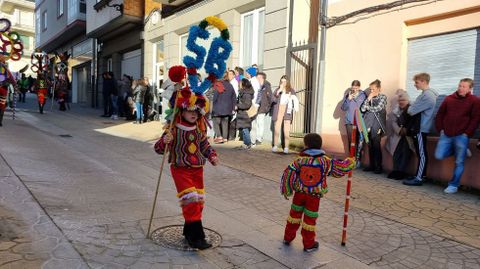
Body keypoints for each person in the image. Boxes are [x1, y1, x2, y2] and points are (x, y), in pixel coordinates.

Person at [154, 66, 218, 249]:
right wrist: (164, 141)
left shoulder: (198, 129)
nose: (193, 113)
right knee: (190, 200)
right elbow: (159, 149)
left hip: (198, 169)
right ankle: (197, 238)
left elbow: (204, 145)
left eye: (196, 111)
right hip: (180, 169)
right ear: (181, 111)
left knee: (198, 201)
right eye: (189, 110)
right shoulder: (173, 129)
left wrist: (212, 156)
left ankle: (188, 231)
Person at [280, 133, 355, 252]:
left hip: (299, 195)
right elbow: (339, 168)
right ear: (320, 146)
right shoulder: (325, 162)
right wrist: (350, 162)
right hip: (314, 197)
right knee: (310, 220)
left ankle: (287, 238)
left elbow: (288, 173)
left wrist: (287, 189)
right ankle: (309, 244)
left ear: (306, 145)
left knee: (294, 216)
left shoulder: (300, 160)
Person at [434, 78, 480, 194]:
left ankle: (453, 185)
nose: (460, 88)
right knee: (439, 155)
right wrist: (441, 130)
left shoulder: (475, 100)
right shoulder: (449, 99)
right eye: (460, 85)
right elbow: (440, 115)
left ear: (470, 88)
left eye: (464, 86)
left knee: (459, 162)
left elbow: (475, 119)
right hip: (446, 135)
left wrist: (467, 133)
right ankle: (463, 150)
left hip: (462, 136)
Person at [403, 73, 439, 186]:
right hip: (420, 127)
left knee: (422, 153)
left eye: (417, 82)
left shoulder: (428, 96)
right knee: (420, 152)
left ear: (423, 81)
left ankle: (419, 178)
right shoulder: (425, 94)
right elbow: (413, 106)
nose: (415, 85)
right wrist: (412, 105)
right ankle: (421, 175)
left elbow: (411, 110)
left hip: (421, 128)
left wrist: (411, 105)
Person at [385, 91, 415, 180]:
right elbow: (393, 122)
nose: (401, 102)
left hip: (408, 136)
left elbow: (413, 121)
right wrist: (399, 130)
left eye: (404, 100)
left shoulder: (412, 109)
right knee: (396, 153)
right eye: (400, 100)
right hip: (398, 135)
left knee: (406, 153)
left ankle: (401, 171)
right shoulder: (396, 110)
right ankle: (395, 170)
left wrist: (406, 129)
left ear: (408, 100)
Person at [361, 79, 387, 174]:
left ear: (378, 89)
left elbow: (378, 108)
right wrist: (368, 99)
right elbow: (363, 109)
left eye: (373, 89)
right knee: (370, 145)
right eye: (370, 89)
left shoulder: (383, 97)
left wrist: (368, 107)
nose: (371, 91)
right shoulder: (369, 98)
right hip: (369, 124)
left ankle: (378, 166)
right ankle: (372, 165)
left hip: (378, 124)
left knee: (376, 145)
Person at [272, 75, 299, 154]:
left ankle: (286, 147)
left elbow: (295, 101)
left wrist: (291, 97)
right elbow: (273, 100)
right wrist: (278, 91)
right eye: (281, 81)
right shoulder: (277, 89)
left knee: (286, 129)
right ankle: (275, 145)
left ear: (287, 82)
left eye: (284, 81)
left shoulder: (291, 90)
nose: (283, 83)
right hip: (278, 110)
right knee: (277, 128)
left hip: (287, 110)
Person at [341, 80, 366, 160]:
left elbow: (364, 108)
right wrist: (348, 99)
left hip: (359, 122)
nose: (354, 90)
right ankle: (351, 159)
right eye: (353, 88)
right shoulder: (348, 95)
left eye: (355, 88)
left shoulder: (363, 95)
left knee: (359, 141)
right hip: (349, 122)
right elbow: (343, 108)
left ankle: (358, 160)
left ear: (359, 87)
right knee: (350, 141)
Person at [212, 76, 236, 143]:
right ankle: (225, 138)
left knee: (215, 122)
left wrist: (212, 105)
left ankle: (219, 136)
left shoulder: (217, 84)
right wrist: (233, 107)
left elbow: (215, 97)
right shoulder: (230, 85)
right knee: (225, 123)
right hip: (228, 108)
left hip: (218, 107)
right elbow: (234, 96)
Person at [251, 71, 273, 146]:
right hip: (255, 106)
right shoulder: (255, 84)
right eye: (257, 77)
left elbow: (270, 97)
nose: (257, 79)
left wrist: (268, 107)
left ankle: (259, 138)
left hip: (263, 107)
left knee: (260, 123)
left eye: (259, 77)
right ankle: (254, 138)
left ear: (262, 78)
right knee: (255, 123)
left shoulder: (266, 85)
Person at [236, 78, 255, 150]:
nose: (239, 84)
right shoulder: (242, 92)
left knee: (245, 129)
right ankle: (245, 143)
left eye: (240, 83)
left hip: (245, 114)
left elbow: (247, 104)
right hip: (242, 113)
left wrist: (237, 106)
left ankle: (248, 144)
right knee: (243, 129)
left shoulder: (247, 94)